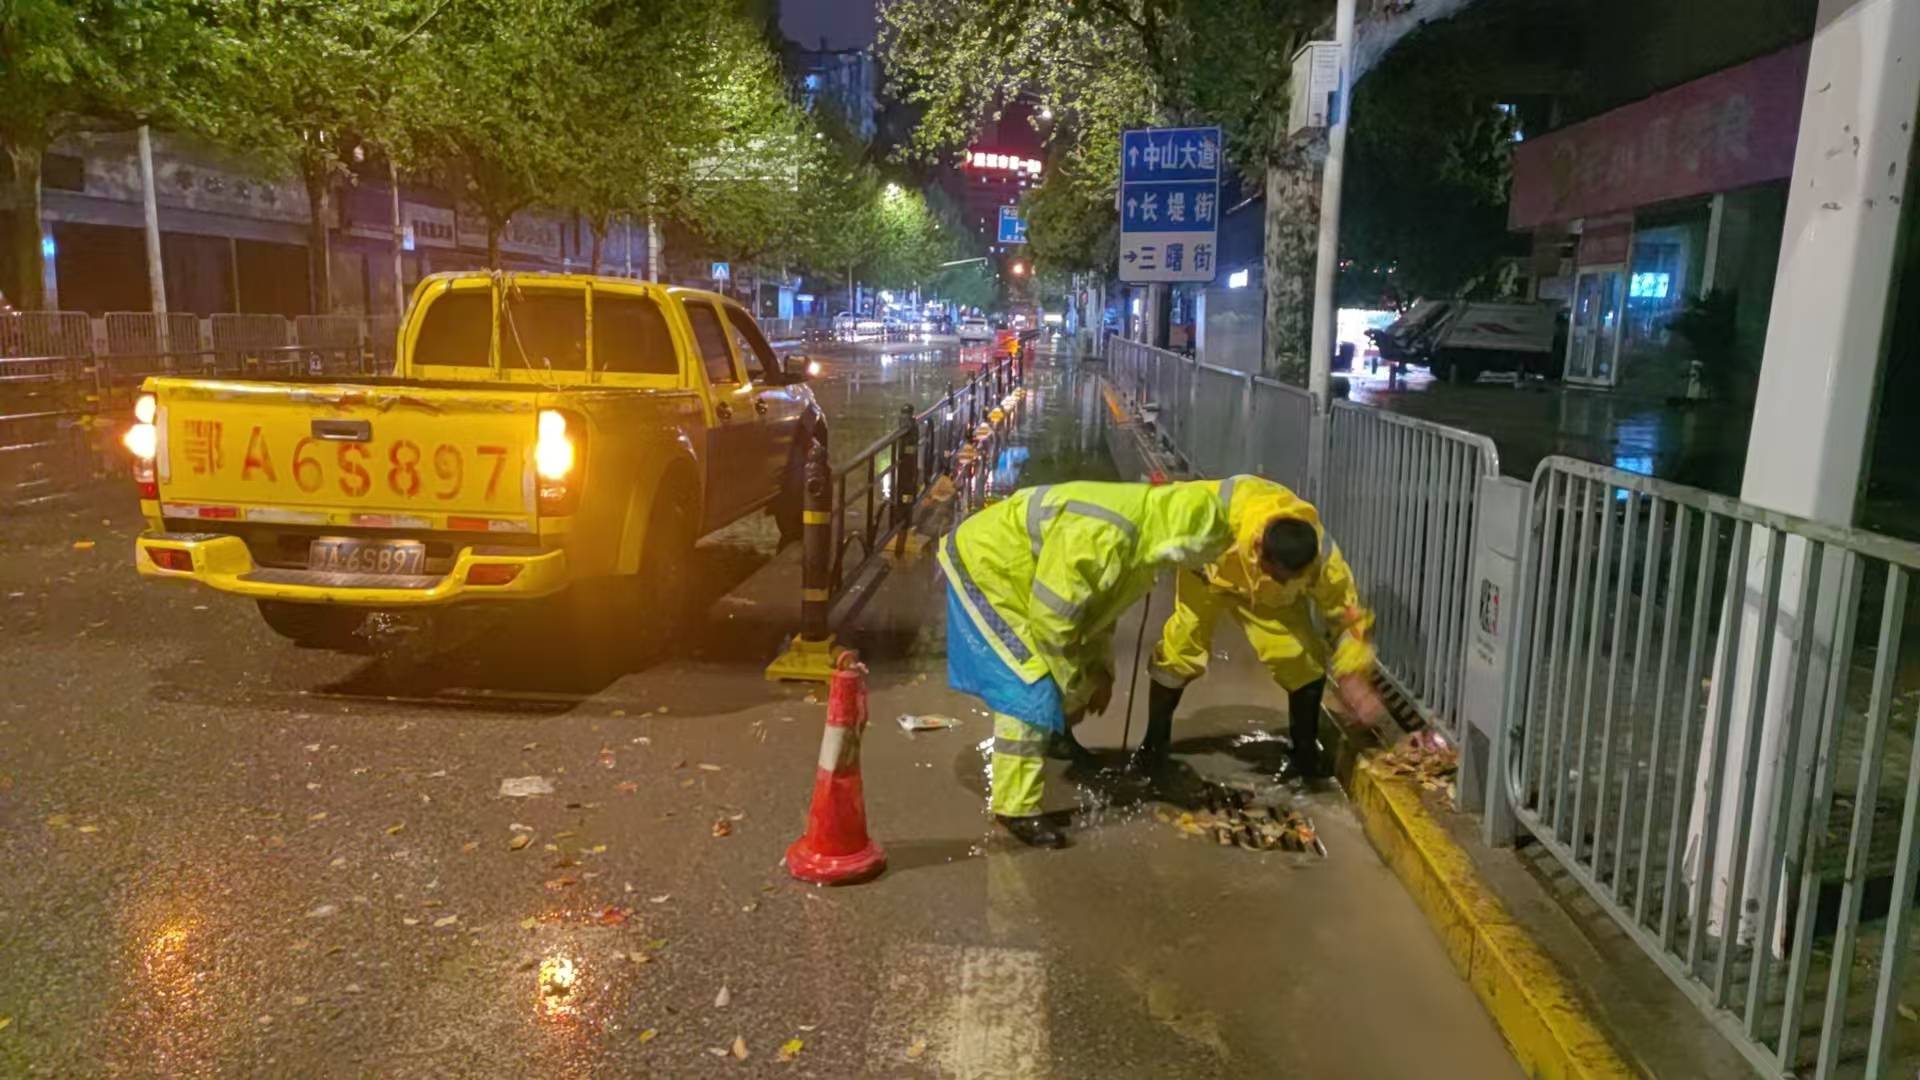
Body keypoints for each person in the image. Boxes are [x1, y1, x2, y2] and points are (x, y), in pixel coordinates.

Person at [939, 480, 1233, 848]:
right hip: (989, 565)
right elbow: (1053, 624)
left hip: (1011, 566)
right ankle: (1014, 808)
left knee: (1054, 680)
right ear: (1183, 540)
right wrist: (1076, 682)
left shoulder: (1145, 535)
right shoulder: (1104, 538)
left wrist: (1101, 672)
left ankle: (1054, 739)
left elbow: (1094, 616)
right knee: (1030, 686)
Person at [1140, 474, 1384, 782]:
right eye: (1277, 574)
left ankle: (1304, 756)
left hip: (1267, 599)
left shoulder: (1323, 561)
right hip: (1207, 579)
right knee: (1179, 652)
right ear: (1258, 548)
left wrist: (1354, 675)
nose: (1284, 580)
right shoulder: (1215, 509)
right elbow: (1161, 507)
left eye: (1289, 578)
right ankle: (1153, 749)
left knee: (1302, 662)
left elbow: (1350, 619)